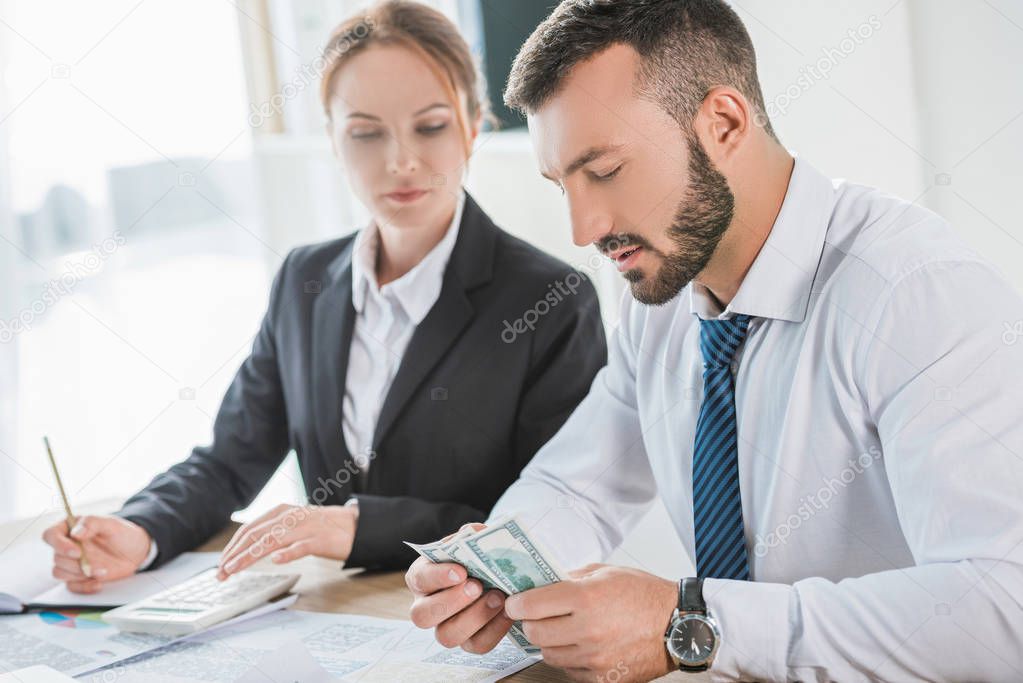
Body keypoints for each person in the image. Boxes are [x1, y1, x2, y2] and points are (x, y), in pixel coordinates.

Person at [404, 1, 1023, 681]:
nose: (583, 228)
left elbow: (999, 608)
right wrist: (490, 565)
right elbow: (577, 486)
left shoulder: (916, 292)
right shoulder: (660, 292)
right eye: (563, 185)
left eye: (604, 170)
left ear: (723, 123)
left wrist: (692, 621)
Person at [42, 0, 606, 592]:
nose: (400, 161)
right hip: (331, 613)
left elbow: (544, 521)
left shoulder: (551, 300)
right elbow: (230, 461)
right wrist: (141, 528)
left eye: (431, 126)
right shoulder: (304, 281)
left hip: (472, 622)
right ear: (334, 141)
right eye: (365, 133)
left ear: (472, 126)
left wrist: (355, 527)